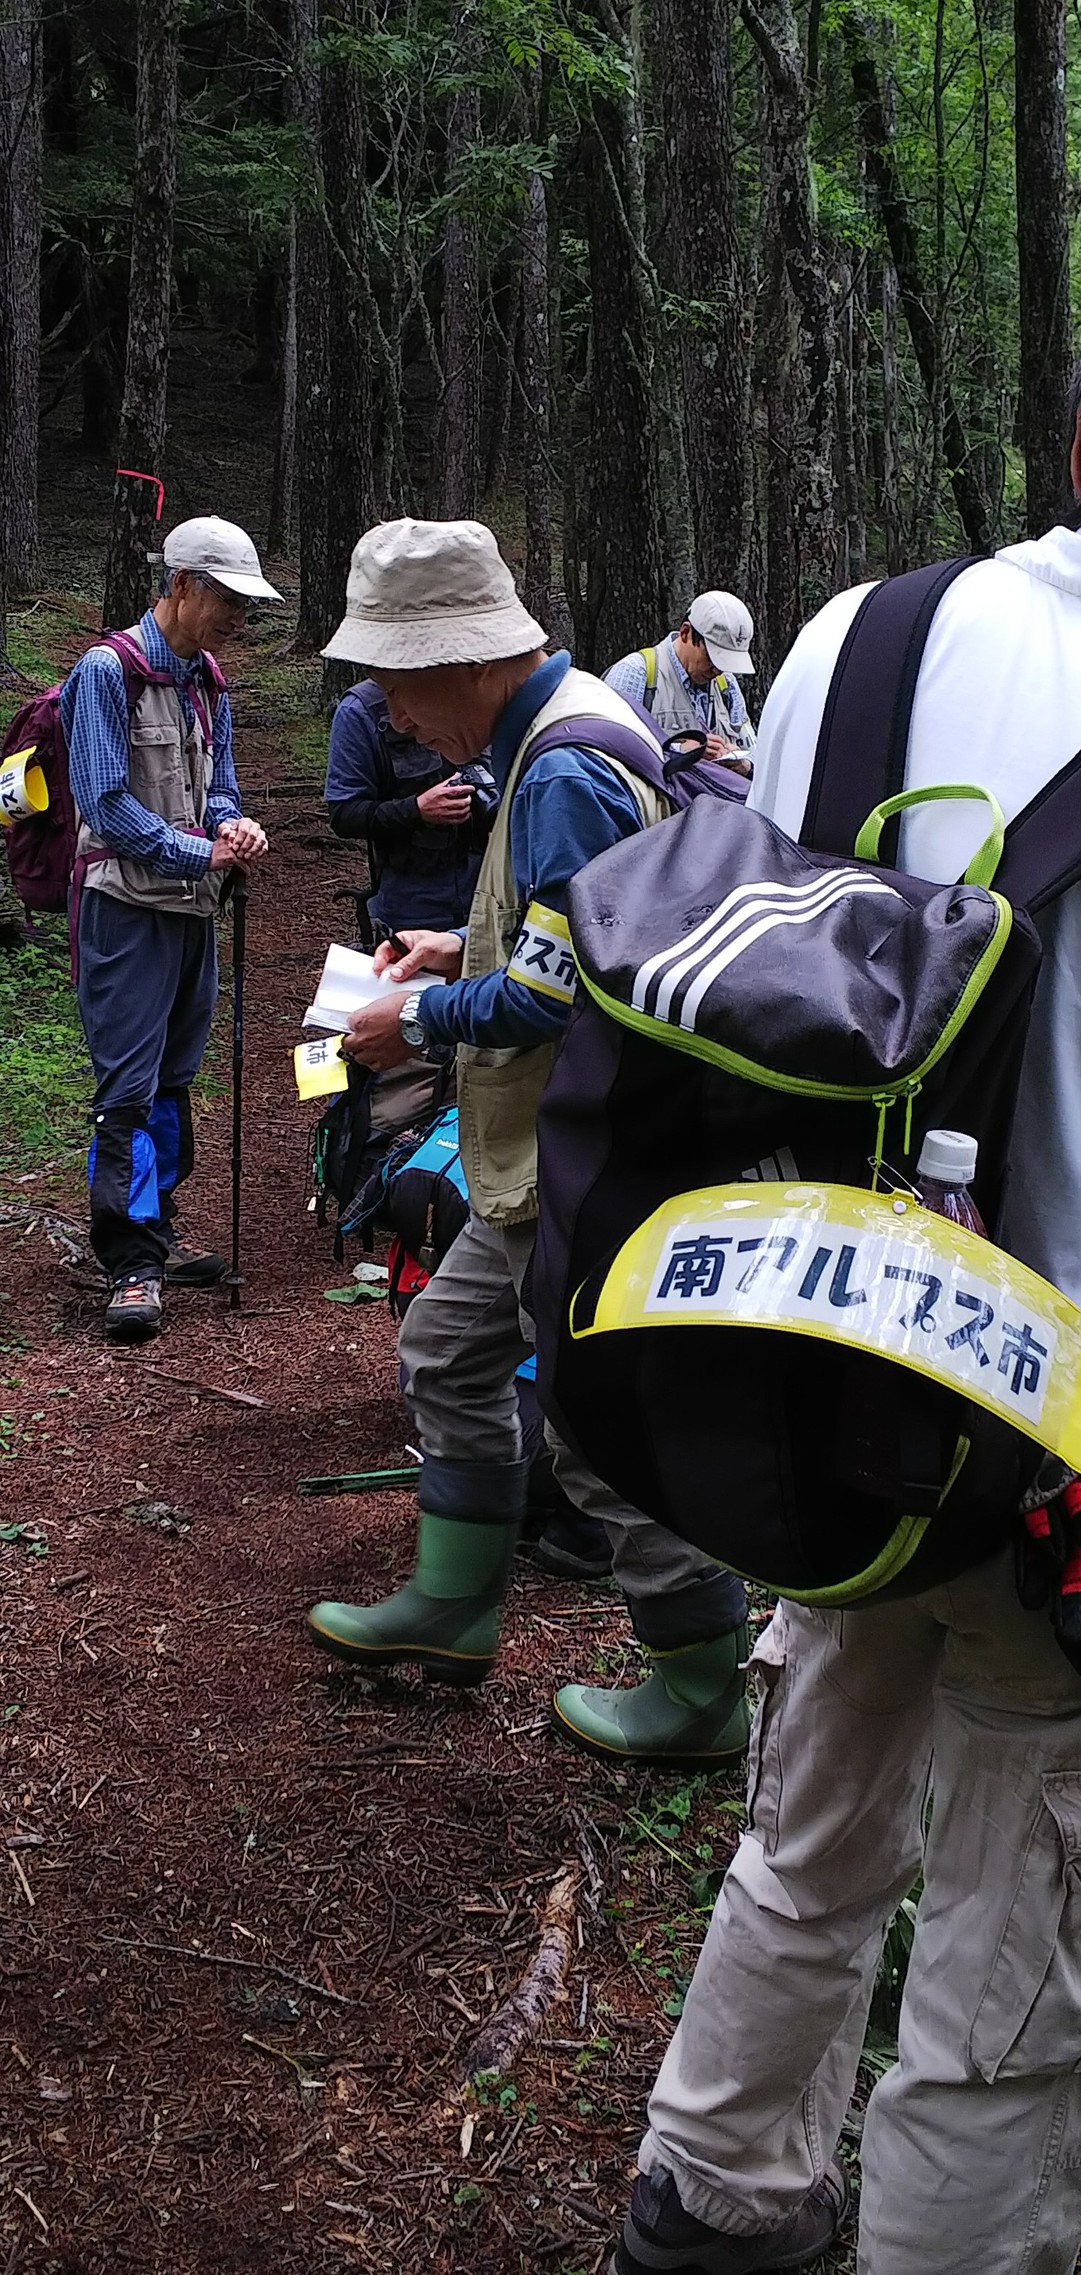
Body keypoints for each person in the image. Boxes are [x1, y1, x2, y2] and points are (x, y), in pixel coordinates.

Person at [610, 237, 1081, 2275]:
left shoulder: (847, 637)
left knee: (812, 1823)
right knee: (1028, 1986)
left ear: (1078, 441)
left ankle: (712, 2193)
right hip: (1078, 1452)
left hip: (808, 1370)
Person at [305, 519, 750, 1764]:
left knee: (597, 1425)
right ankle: (453, 1606)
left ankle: (703, 1685)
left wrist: (421, 1017)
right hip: (548, 1153)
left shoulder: (556, 768)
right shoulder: (567, 727)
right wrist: (464, 947)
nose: (391, 713)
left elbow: (556, 995)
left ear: (463, 662)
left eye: (396, 679)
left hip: (578, 1154)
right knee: (449, 1353)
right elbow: (581, 936)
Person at [64, 515, 276, 1344]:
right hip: (124, 910)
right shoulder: (105, 672)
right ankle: (129, 1263)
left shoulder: (207, 677)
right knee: (126, 1088)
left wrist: (235, 827)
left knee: (175, 1079)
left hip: (191, 908)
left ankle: (159, 1226)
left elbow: (218, 785)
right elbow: (104, 802)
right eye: (228, 598)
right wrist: (198, 851)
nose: (237, 617)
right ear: (182, 584)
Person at [324, 677, 493, 942]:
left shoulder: (475, 687)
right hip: (413, 904)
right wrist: (417, 810)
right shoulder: (362, 710)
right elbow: (344, 814)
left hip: (493, 894)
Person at [604, 592, 757, 769]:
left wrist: (745, 764)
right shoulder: (636, 673)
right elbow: (609, 748)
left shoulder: (726, 684)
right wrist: (679, 751)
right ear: (685, 633)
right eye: (713, 658)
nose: (718, 670)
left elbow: (753, 748)